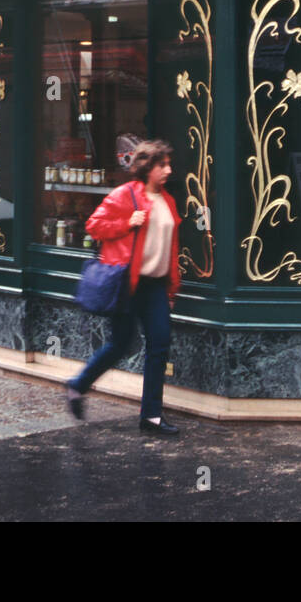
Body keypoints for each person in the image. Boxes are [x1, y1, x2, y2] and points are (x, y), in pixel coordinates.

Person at [66, 136, 182, 436]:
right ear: (147, 168)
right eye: (162, 165)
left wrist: (171, 289)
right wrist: (127, 222)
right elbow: (94, 226)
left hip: (155, 285)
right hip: (127, 283)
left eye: (168, 165)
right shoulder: (124, 195)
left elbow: (171, 247)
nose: (168, 170)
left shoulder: (167, 200)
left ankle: (151, 416)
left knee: (159, 343)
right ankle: (78, 385)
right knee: (121, 344)